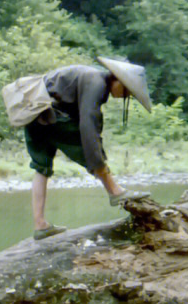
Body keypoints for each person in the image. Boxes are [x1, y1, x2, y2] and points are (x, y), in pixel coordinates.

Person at [25, 57, 152, 240]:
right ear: (117, 80)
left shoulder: (92, 78)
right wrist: (96, 158)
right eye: (127, 91)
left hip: (34, 114)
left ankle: (40, 224)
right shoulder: (96, 82)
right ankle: (115, 191)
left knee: (41, 168)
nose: (126, 96)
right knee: (88, 146)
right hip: (47, 113)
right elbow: (88, 125)